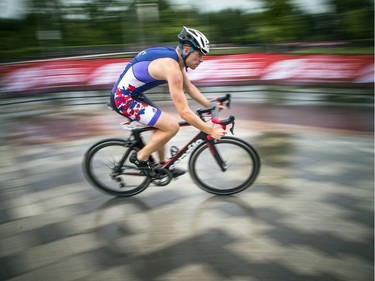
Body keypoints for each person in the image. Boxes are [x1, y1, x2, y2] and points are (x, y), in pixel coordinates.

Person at [110, 26, 226, 177]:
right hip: (123, 99)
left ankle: (161, 166)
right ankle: (140, 157)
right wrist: (210, 130)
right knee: (171, 126)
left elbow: (189, 88)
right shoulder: (172, 68)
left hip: (132, 94)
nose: (201, 60)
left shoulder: (175, 59)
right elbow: (184, 113)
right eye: (199, 55)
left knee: (162, 123)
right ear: (186, 50)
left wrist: (211, 105)